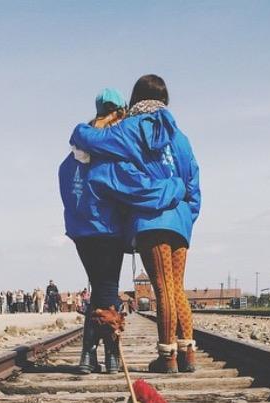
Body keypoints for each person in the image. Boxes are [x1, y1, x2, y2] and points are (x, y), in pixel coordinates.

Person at [71, 74, 200, 373]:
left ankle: (167, 356)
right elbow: (193, 182)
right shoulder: (181, 138)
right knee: (178, 288)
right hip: (180, 219)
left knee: (163, 287)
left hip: (149, 219)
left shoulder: (129, 129)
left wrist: (87, 125)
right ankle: (187, 352)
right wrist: (186, 214)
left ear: (135, 100)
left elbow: (87, 139)